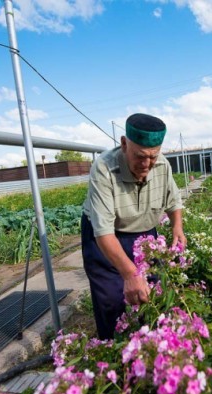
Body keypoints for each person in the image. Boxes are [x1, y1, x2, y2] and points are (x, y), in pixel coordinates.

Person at [81, 113, 186, 340]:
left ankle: (149, 350)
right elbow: (103, 231)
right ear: (124, 143)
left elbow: (174, 201)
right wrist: (130, 273)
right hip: (107, 240)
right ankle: (113, 358)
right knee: (112, 301)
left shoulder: (162, 166)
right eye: (140, 156)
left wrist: (177, 226)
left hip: (145, 235)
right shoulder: (104, 169)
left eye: (153, 157)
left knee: (152, 295)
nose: (146, 164)